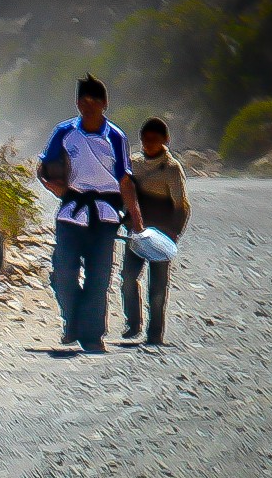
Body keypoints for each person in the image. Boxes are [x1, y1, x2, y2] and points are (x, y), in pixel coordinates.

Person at [37, 74, 142, 354]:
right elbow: (43, 166)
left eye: (94, 99)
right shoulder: (64, 131)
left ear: (105, 103)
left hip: (106, 215)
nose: (88, 105)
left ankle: (92, 334)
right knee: (62, 273)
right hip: (72, 211)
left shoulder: (115, 137)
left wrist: (135, 216)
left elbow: (125, 180)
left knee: (98, 277)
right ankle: (73, 322)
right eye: (83, 99)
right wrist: (52, 186)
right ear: (77, 102)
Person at [120, 117, 189, 345]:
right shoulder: (134, 163)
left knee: (157, 288)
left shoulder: (172, 169)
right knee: (128, 279)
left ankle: (155, 333)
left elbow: (182, 206)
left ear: (165, 140)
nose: (148, 144)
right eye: (145, 139)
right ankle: (133, 323)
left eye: (154, 139)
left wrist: (173, 235)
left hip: (161, 235)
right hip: (137, 232)